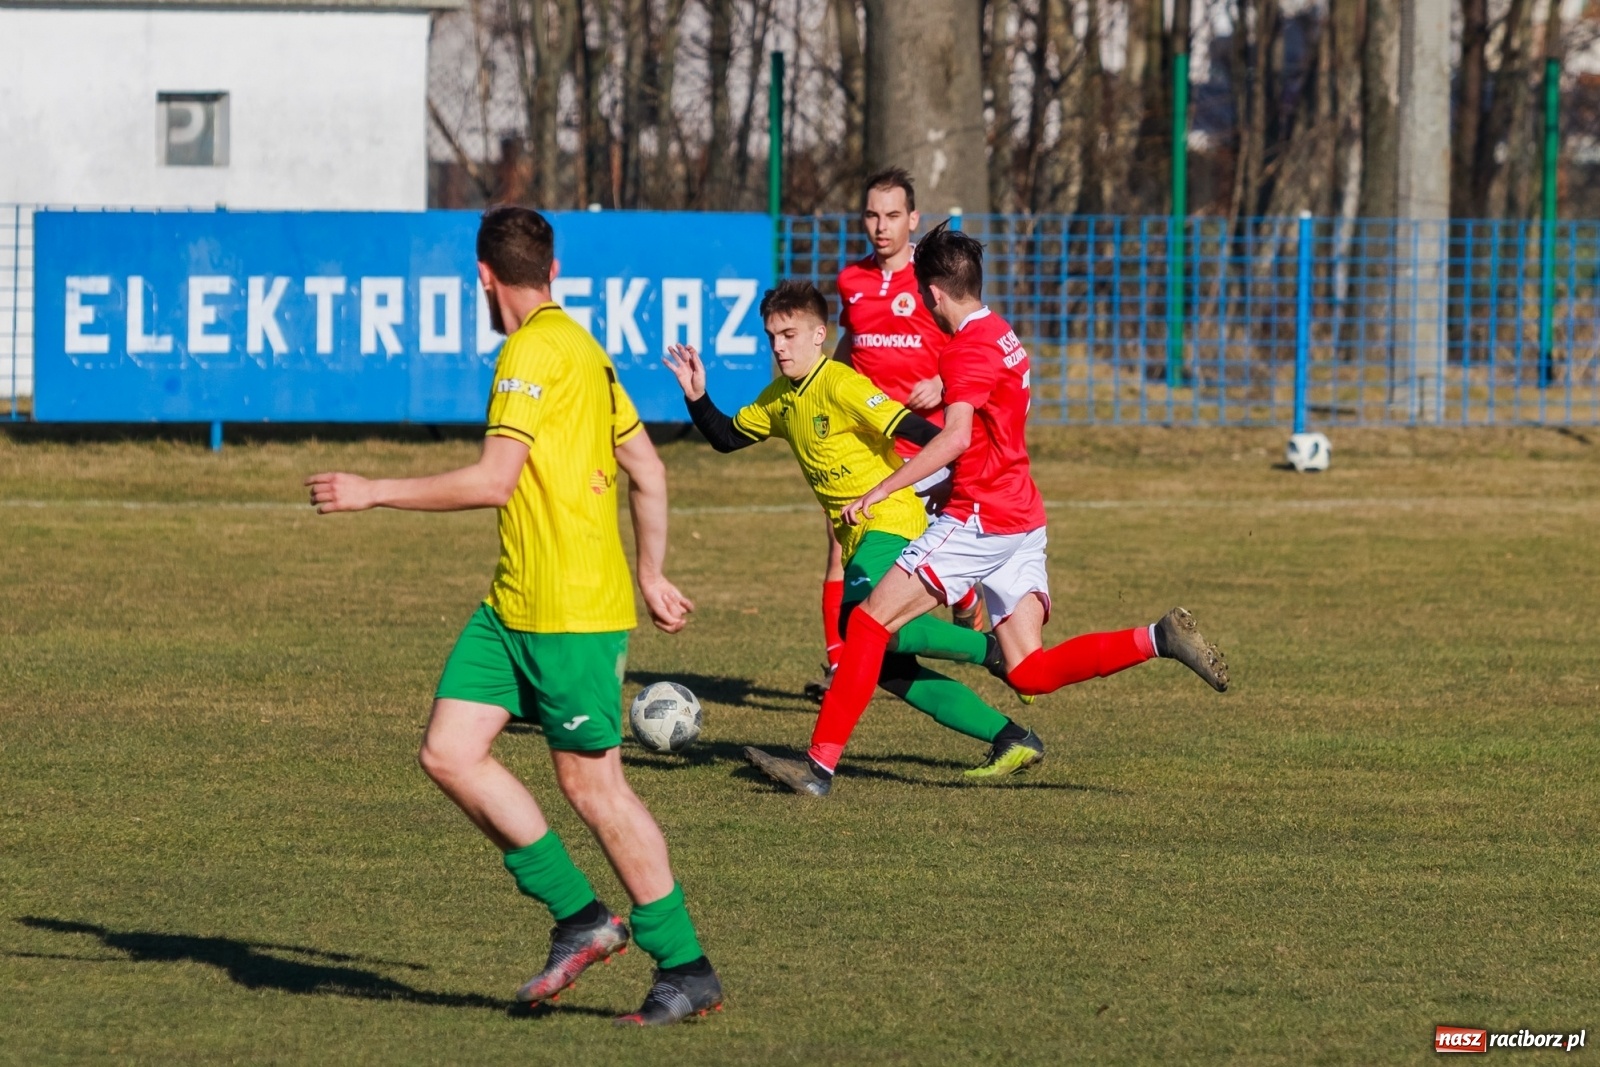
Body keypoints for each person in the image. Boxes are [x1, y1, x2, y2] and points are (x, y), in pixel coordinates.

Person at [305, 206, 722, 1025]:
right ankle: (582, 918)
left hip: (569, 610)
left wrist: (373, 490)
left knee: (592, 785)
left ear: (484, 277)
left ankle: (686, 963)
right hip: (513, 605)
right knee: (449, 750)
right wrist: (652, 571)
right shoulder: (583, 345)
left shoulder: (530, 351)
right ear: (554, 268)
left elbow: (496, 479)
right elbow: (647, 468)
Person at [744, 222, 1231, 798]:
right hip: (1022, 514)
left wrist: (880, 491)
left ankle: (818, 769)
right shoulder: (1003, 333)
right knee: (1028, 670)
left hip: (981, 517)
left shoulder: (965, 350)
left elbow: (952, 439)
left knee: (868, 623)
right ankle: (1157, 638)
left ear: (934, 294)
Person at [662, 279, 1044, 779]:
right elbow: (727, 437)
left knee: (862, 627)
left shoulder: (841, 385)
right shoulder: (781, 398)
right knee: (886, 666)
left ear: (820, 335)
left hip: (892, 521)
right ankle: (1011, 738)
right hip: (858, 536)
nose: (779, 346)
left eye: (790, 334)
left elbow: (913, 427)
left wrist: (960, 470)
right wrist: (698, 395)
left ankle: (989, 649)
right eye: (772, 336)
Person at [806, 168, 983, 704]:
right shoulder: (851, 281)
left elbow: (969, 347)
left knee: (931, 558)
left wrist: (940, 382)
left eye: (891, 216)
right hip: (864, 449)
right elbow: (848, 351)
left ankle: (969, 604)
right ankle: (842, 665)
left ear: (913, 220)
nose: (880, 227)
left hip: (927, 446)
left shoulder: (932, 284)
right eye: (871, 215)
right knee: (839, 550)